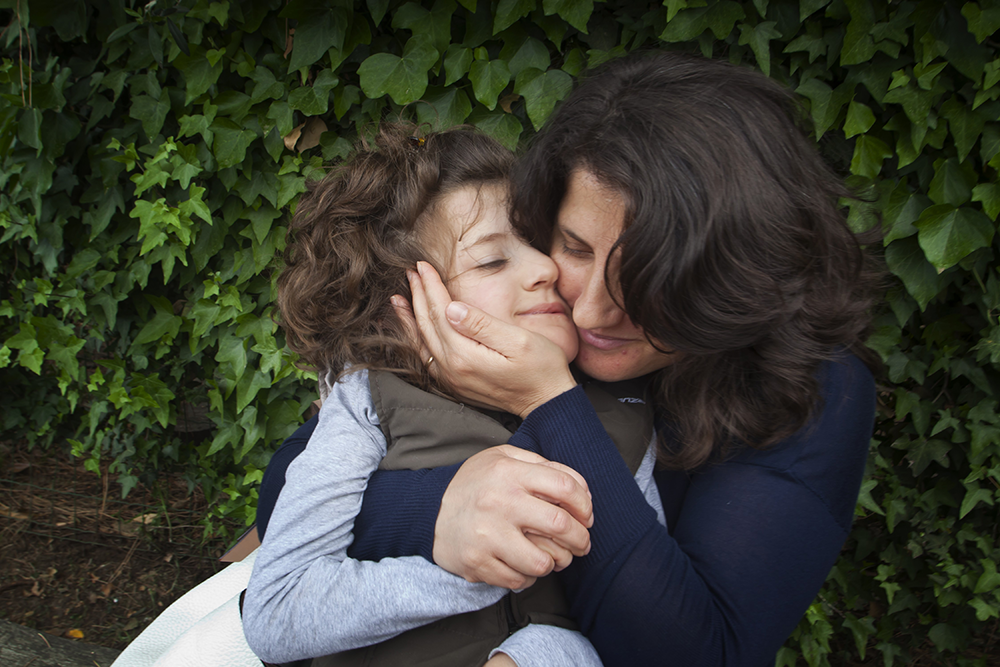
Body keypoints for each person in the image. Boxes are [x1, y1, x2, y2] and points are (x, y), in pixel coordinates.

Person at [257, 51, 879, 667]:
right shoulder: (510, 328)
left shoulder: (812, 387)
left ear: (732, 280)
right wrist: (438, 509)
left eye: (647, 277)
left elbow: (690, 651)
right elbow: (286, 495)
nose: (586, 313)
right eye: (574, 246)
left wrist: (550, 402)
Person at [241, 124, 666, 667]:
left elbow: (638, 622)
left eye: (540, 243)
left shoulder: (623, 417)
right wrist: (464, 571)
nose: (546, 268)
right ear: (404, 305)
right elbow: (277, 612)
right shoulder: (368, 401)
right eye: (492, 260)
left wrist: (539, 654)